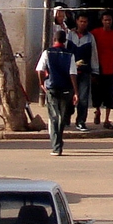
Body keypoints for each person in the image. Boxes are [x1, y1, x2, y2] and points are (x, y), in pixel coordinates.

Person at [35, 28, 76, 156]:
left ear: (54, 40)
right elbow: (73, 74)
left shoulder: (47, 52)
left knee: (53, 117)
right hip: (66, 89)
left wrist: (42, 83)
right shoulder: (70, 55)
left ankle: (56, 147)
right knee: (62, 118)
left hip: (52, 88)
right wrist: (76, 92)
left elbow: (40, 70)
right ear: (65, 41)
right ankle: (59, 141)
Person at [91, 10, 113, 128]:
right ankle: (97, 110)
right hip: (97, 68)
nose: (107, 22)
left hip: (110, 69)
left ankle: (106, 120)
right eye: (105, 20)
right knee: (96, 93)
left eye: (109, 20)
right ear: (102, 21)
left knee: (109, 95)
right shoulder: (95, 33)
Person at [66, 12, 96, 131]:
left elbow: (94, 55)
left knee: (83, 98)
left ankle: (81, 121)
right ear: (77, 21)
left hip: (84, 71)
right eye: (81, 21)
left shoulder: (90, 37)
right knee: (68, 96)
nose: (83, 24)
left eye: (85, 22)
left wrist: (95, 71)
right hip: (70, 72)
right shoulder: (70, 35)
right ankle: (66, 117)